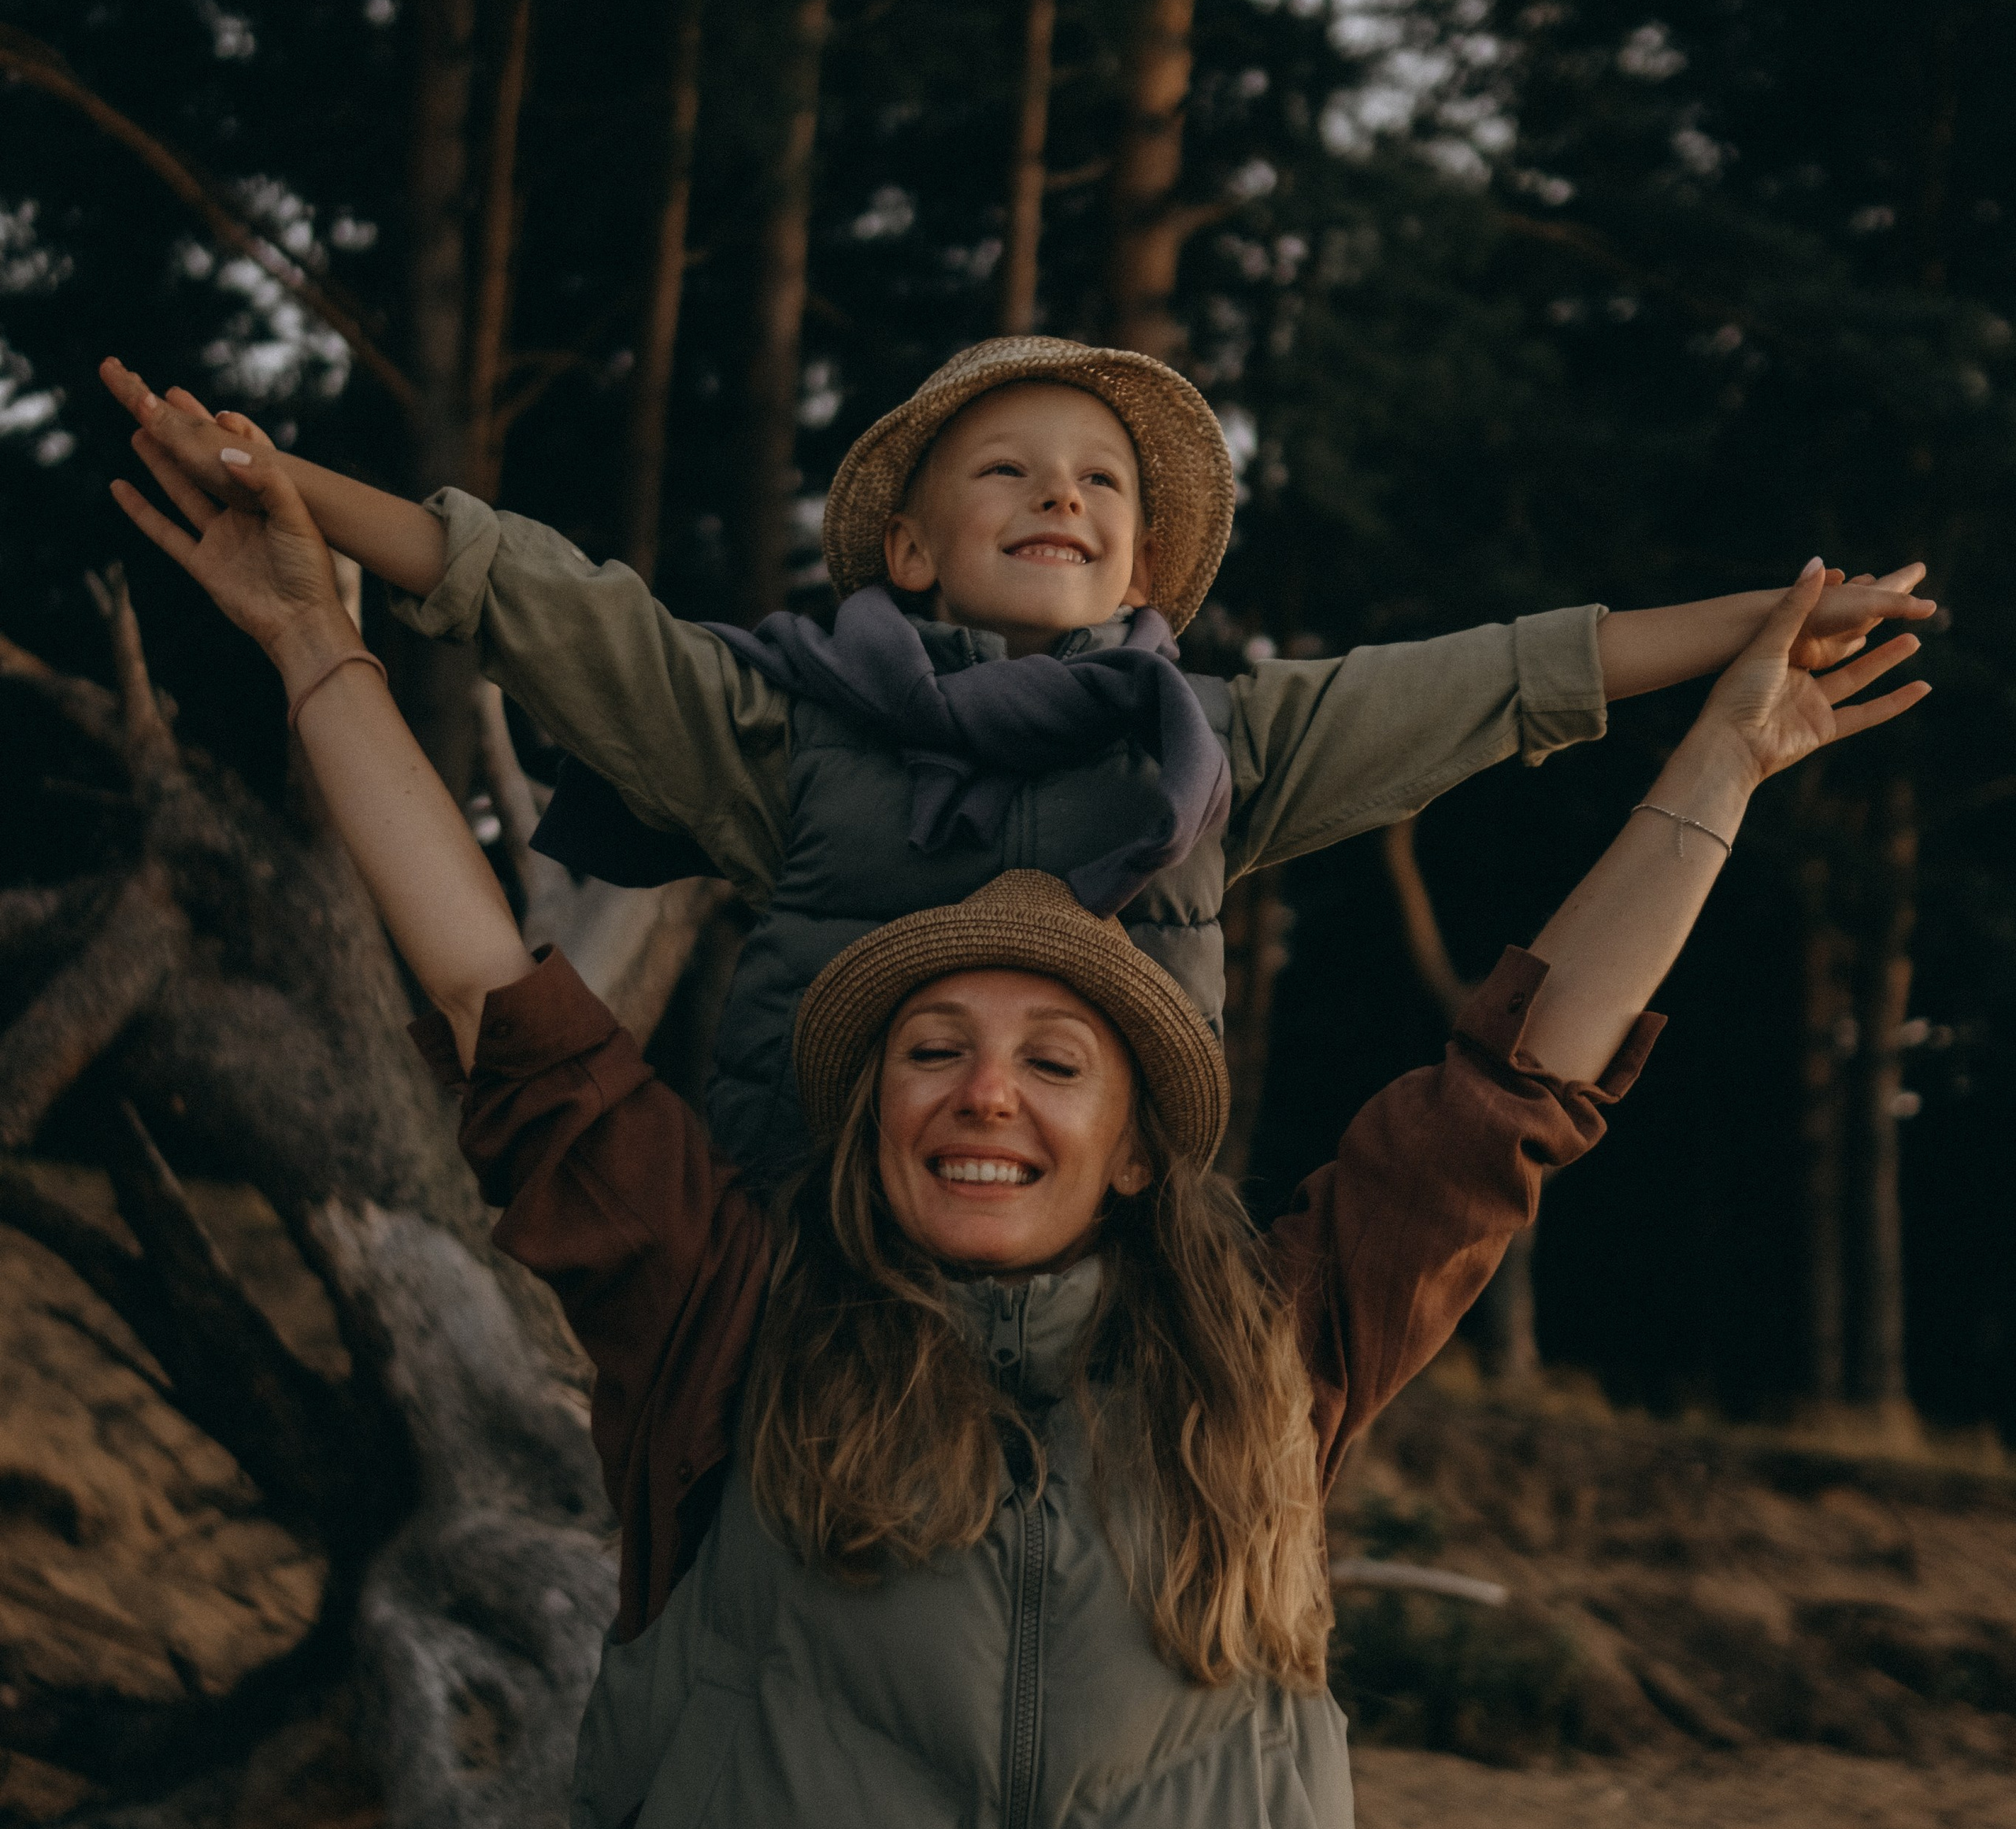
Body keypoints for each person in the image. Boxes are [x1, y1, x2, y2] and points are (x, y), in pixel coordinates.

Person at [108, 425, 1925, 1829]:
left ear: (1138, 1146)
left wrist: (1721, 766)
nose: (986, 1092)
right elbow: (497, 996)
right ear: (866, 1114)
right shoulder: (721, 1323)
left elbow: (1514, 1095)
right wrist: (310, 642)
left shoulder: (1264, 1360)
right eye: (932, 1051)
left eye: (1057, 1060)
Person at [98, 346, 1933, 1194]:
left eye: (1101, 482)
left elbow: (1503, 680)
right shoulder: (784, 728)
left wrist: (1759, 623)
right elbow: (551, 608)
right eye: (1008, 468)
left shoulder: (1223, 751)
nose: (1061, 490)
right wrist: (291, 497)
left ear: (1141, 571)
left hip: (1097, 1253)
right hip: (792, 1240)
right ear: (904, 547)